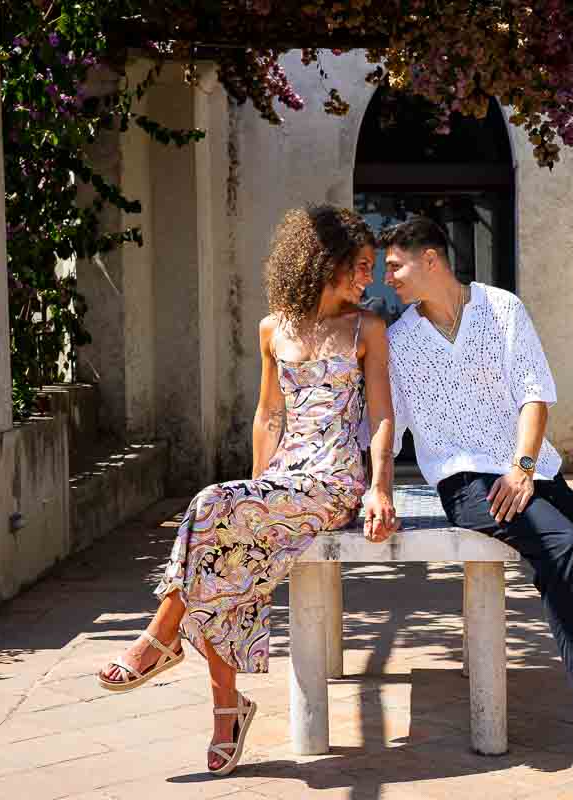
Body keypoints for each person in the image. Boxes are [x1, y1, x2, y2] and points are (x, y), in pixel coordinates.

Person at [380, 217, 573, 783]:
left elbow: (533, 390)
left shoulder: (501, 308)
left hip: (531, 467)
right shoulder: (400, 341)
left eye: (396, 265)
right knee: (561, 542)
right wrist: (369, 485)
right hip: (465, 480)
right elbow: (389, 423)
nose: (389, 278)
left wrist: (523, 467)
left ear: (431, 260)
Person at [97, 205, 399, 775]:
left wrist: (380, 488)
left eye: (371, 268)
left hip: (333, 480)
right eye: (359, 266)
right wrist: (257, 491)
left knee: (212, 510)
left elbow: (381, 414)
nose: (369, 278)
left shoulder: (367, 329)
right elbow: (267, 414)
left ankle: (163, 638)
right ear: (323, 263)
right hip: (283, 482)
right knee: (228, 542)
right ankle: (226, 710)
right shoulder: (273, 328)